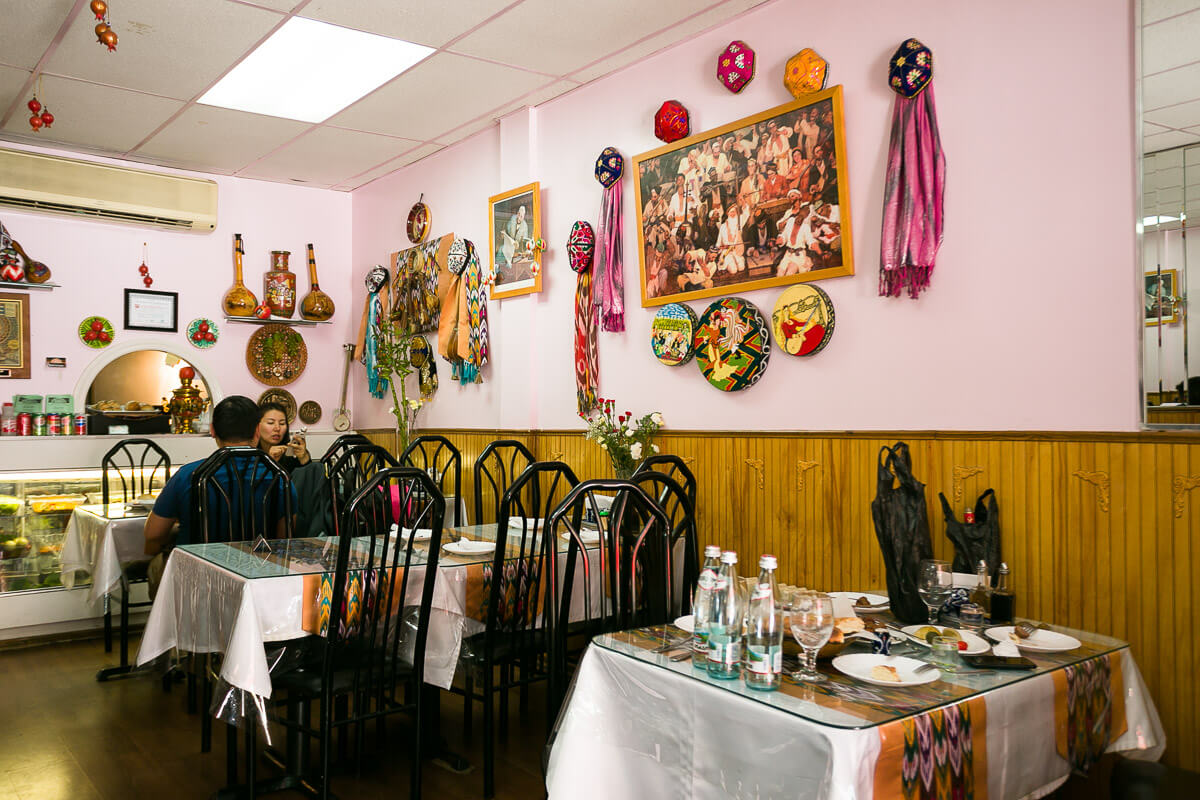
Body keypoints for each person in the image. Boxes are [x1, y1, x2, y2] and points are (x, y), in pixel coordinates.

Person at [144, 395, 295, 595]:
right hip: (258, 579)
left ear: (213, 430)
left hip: (197, 580)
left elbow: (153, 534)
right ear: (257, 431)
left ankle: (171, 624)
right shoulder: (279, 477)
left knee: (156, 562)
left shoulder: (189, 475)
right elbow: (284, 539)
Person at [257, 402, 310, 473]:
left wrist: (304, 458)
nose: (277, 428)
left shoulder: (291, 453)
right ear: (257, 425)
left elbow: (308, 480)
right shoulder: (250, 454)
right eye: (270, 422)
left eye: (282, 423)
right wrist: (269, 462)